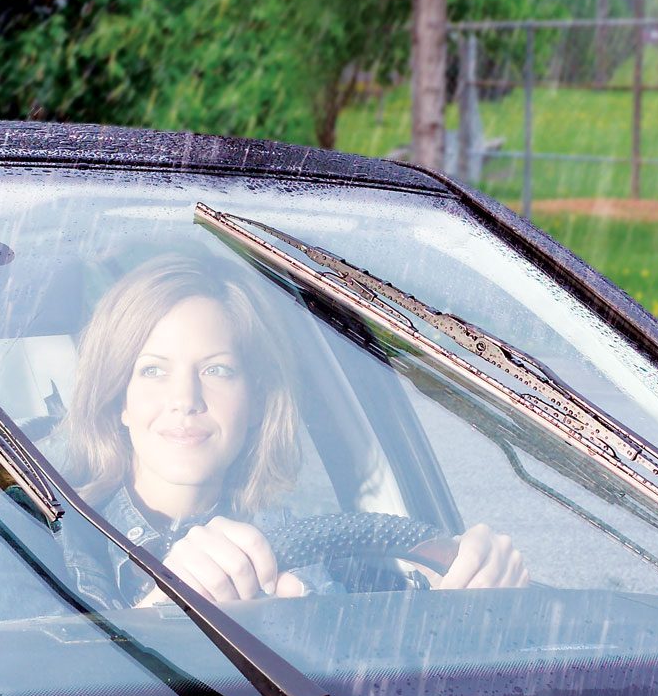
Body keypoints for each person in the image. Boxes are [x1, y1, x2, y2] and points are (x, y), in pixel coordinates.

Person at [52, 252, 527, 609]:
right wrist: (159, 614)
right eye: (153, 370)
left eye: (217, 370)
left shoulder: (316, 544)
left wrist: (465, 585)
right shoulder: (44, 543)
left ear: (256, 403)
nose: (186, 399)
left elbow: (389, 667)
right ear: (118, 398)